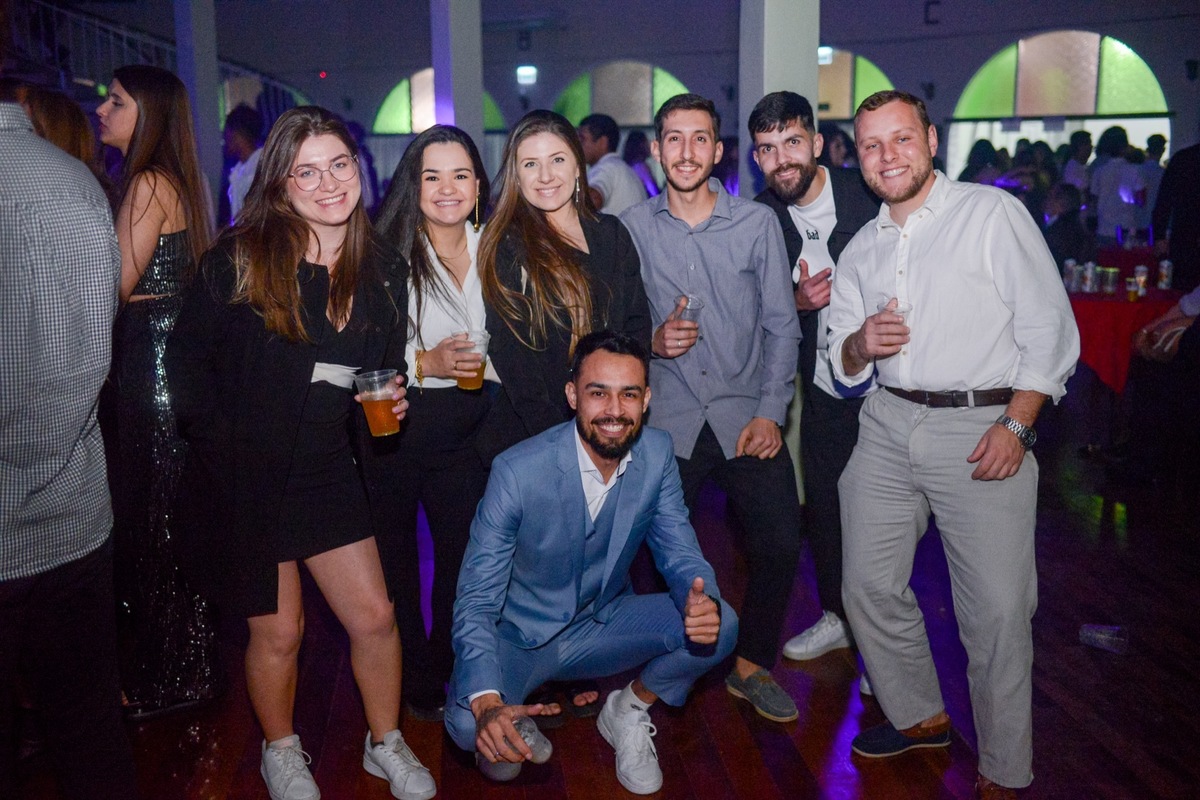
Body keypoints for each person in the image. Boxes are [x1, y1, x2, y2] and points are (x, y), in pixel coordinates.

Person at [165, 106, 435, 800]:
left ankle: (385, 741)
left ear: (360, 167)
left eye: (339, 164)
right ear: (280, 185)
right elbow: (185, 367)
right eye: (306, 172)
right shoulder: (242, 259)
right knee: (281, 632)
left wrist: (391, 399)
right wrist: (224, 449)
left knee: (376, 617)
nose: (328, 183)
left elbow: (377, 370)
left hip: (326, 471)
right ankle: (281, 750)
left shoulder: (383, 267)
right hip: (248, 476)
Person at [827, 90, 1079, 800]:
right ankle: (919, 714)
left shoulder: (990, 214)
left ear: (931, 141)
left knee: (996, 611)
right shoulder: (861, 248)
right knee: (865, 586)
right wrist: (859, 343)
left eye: (901, 139)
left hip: (983, 424)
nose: (887, 156)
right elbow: (838, 363)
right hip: (885, 423)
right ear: (858, 157)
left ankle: (1004, 769)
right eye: (871, 145)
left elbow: (1050, 329)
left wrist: (1018, 424)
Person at [446, 330, 737, 795]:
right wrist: (486, 702)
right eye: (598, 393)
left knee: (722, 625)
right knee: (472, 730)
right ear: (572, 396)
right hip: (520, 638)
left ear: (646, 400)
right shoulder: (517, 471)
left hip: (602, 625)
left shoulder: (657, 453)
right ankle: (510, 711)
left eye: (629, 394)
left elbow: (680, 551)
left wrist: (701, 600)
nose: (614, 411)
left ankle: (627, 709)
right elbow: (477, 599)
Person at [620, 93, 803, 723]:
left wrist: (771, 412)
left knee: (779, 542)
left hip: (744, 415)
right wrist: (650, 342)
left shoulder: (756, 224)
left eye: (700, 139)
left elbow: (782, 326)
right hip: (666, 420)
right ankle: (658, 667)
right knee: (646, 557)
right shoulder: (631, 229)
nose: (686, 151)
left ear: (719, 152)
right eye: (674, 138)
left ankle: (751, 666)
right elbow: (616, 324)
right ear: (656, 149)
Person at [0, 90, 139, 800]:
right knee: (89, 731)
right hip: (74, 510)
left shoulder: (124, 185)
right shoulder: (74, 181)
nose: (102, 111)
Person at [95, 64, 221, 719]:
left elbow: (113, 286)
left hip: (152, 370)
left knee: (154, 526)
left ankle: (169, 675)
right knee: (168, 523)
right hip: (167, 366)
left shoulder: (148, 182)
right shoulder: (179, 178)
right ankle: (184, 668)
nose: (102, 109)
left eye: (115, 101)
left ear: (146, 114)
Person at [747, 92, 880, 676]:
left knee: (887, 516)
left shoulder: (866, 194)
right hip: (824, 387)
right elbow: (752, 312)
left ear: (818, 144)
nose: (782, 160)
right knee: (825, 505)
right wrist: (795, 303)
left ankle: (884, 646)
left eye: (792, 143)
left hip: (892, 384)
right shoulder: (760, 218)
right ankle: (837, 615)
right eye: (767, 149)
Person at [372, 124, 492, 722]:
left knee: (461, 558)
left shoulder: (496, 248)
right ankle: (412, 670)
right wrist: (426, 362)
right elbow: (362, 349)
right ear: (412, 185)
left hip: (468, 428)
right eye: (432, 176)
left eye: (461, 175)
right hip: (397, 425)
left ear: (479, 184)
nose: (448, 188)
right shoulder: (384, 255)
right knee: (394, 560)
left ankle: (445, 661)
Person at [477, 109, 651, 465]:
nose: (545, 176)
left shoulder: (611, 234)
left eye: (557, 159)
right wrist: (567, 446)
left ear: (577, 166)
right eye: (530, 164)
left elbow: (636, 329)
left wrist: (619, 413)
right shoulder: (508, 245)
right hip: (536, 438)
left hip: (612, 429)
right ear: (516, 176)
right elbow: (514, 360)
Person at [1152, 142, 1200, 292]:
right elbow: (1164, 201)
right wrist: (1159, 235)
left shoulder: (1183, 158)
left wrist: (1159, 235)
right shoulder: (1183, 158)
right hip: (1185, 237)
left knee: (1182, 291)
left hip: (1184, 235)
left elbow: (1164, 201)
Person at [578, 113, 648, 215]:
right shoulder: (619, 167)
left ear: (602, 142)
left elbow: (594, 199)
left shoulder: (607, 167)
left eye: (582, 139)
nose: (577, 145)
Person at [1091, 126, 1145, 243]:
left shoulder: (1099, 171)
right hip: (1126, 228)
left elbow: (1094, 201)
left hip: (1103, 228)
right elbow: (1141, 200)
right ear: (1125, 147)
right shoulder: (1134, 170)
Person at [224, 102, 263, 224]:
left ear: (236, 134)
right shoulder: (238, 170)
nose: (224, 138)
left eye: (226, 132)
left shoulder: (261, 168)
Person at [1042, 182, 1097, 269]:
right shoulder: (1079, 228)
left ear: (1060, 203)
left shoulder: (1056, 231)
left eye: (1050, 197)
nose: (1046, 202)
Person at [1137, 134, 1166, 235]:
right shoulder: (1163, 173)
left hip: (1138, 220)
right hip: (1157, 220)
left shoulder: (1138, 170)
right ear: (1163, 150)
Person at [622, 129, 660, 196]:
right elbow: (653, 192)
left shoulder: (628, 166)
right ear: (641, 145)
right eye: (646, 142)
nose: (649, 146)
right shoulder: (640, 167)